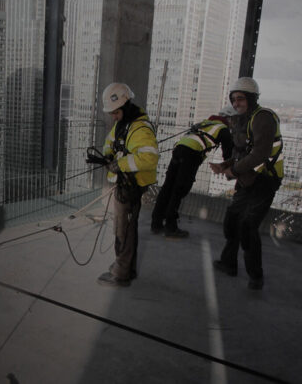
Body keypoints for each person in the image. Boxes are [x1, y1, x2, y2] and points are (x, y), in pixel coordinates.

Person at [209, 77, 284, 290]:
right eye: (233, 100)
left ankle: (255, 276)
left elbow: (260, 153)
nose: (236, 104)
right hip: (248, 180)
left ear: (251, 98)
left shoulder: (263, 118)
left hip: (264, 182)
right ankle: (228, 263)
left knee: (247, 226)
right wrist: (225, 164)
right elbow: (242, 153)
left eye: (240, 99)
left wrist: (232, 170)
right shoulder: (245, 120)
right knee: (233, 220)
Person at [97, 82, 159, 287]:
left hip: (132, 185)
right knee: (126, 228)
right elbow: (110, 142)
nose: (113, 117)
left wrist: (120, 163)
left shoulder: (140, 128)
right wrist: (107, 156)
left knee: (123, 229)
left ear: (125, 106)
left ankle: (121, 273)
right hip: (126, 183)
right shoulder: (124, 123)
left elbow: (149, 159)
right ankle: (127, 268)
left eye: (115, 112)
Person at [151, 109, 234, 238]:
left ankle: (156, 224)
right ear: (229, 119)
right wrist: (232, 169)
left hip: (178, 150)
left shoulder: (206, 123)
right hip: (191, 154)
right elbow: (228, 155)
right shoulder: (223, 128)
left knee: (168, 187)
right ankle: (170, 227)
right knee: (179, 190)